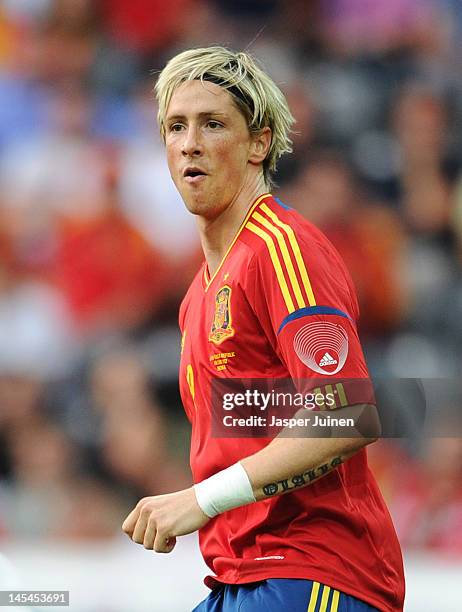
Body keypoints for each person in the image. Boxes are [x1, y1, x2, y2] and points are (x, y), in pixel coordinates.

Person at [122, 46, 405, 612]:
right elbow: (254, 426)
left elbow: (344, 413)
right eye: (176, 126)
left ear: (259, 143)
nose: (190, 143)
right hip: (243, 576)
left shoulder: (282, 248)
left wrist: (200, 499)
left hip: (316, 572)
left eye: (213, 124)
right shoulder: (199, 292)